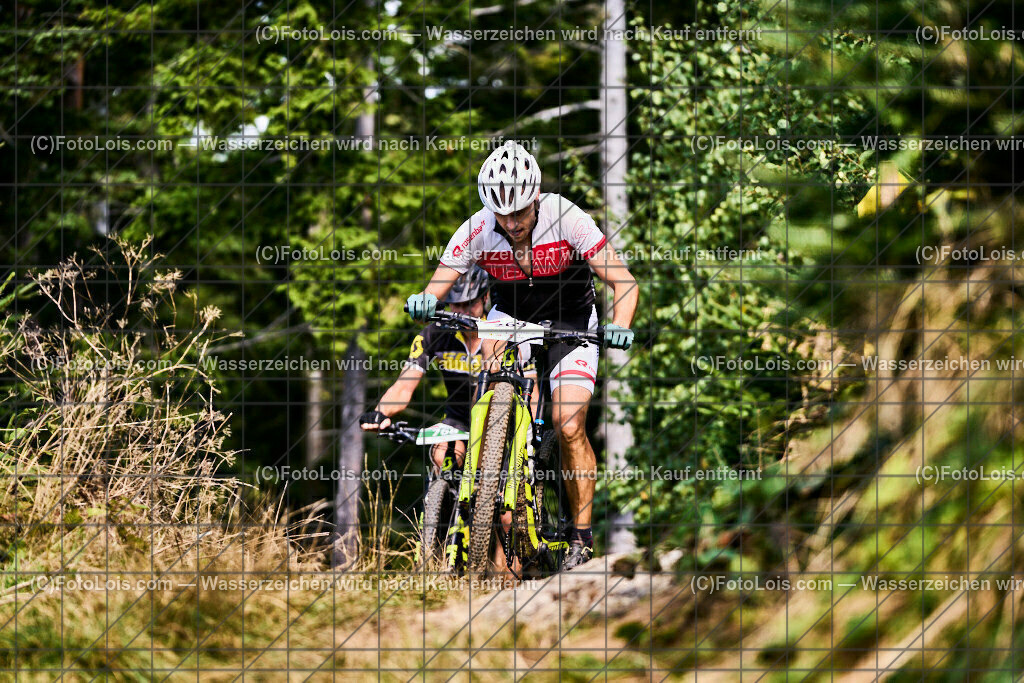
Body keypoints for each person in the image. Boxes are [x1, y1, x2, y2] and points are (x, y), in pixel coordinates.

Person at [405, 140, 638, 571]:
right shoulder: (477, 228)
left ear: (535, 198)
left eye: (519, 212)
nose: (511, 223)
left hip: (571, 319)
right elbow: (439, 282)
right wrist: (424, 300)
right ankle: (493, 465)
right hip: (510, 314)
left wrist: (620, 323)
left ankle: (580, 538)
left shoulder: (567, 217)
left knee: (569, 425)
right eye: (502, 214)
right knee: (490, 380)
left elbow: (624, 282)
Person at [359, 267, 491, 472]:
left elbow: (532, 387)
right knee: (442, 456)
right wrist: (380, 412)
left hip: (498, 420)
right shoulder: (434, 334)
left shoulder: (501, 330)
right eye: (457, 305)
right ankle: (445, 500)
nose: (464, 313)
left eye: (470, 304)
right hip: (458, 419)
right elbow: (403, 386)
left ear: (485, 297)